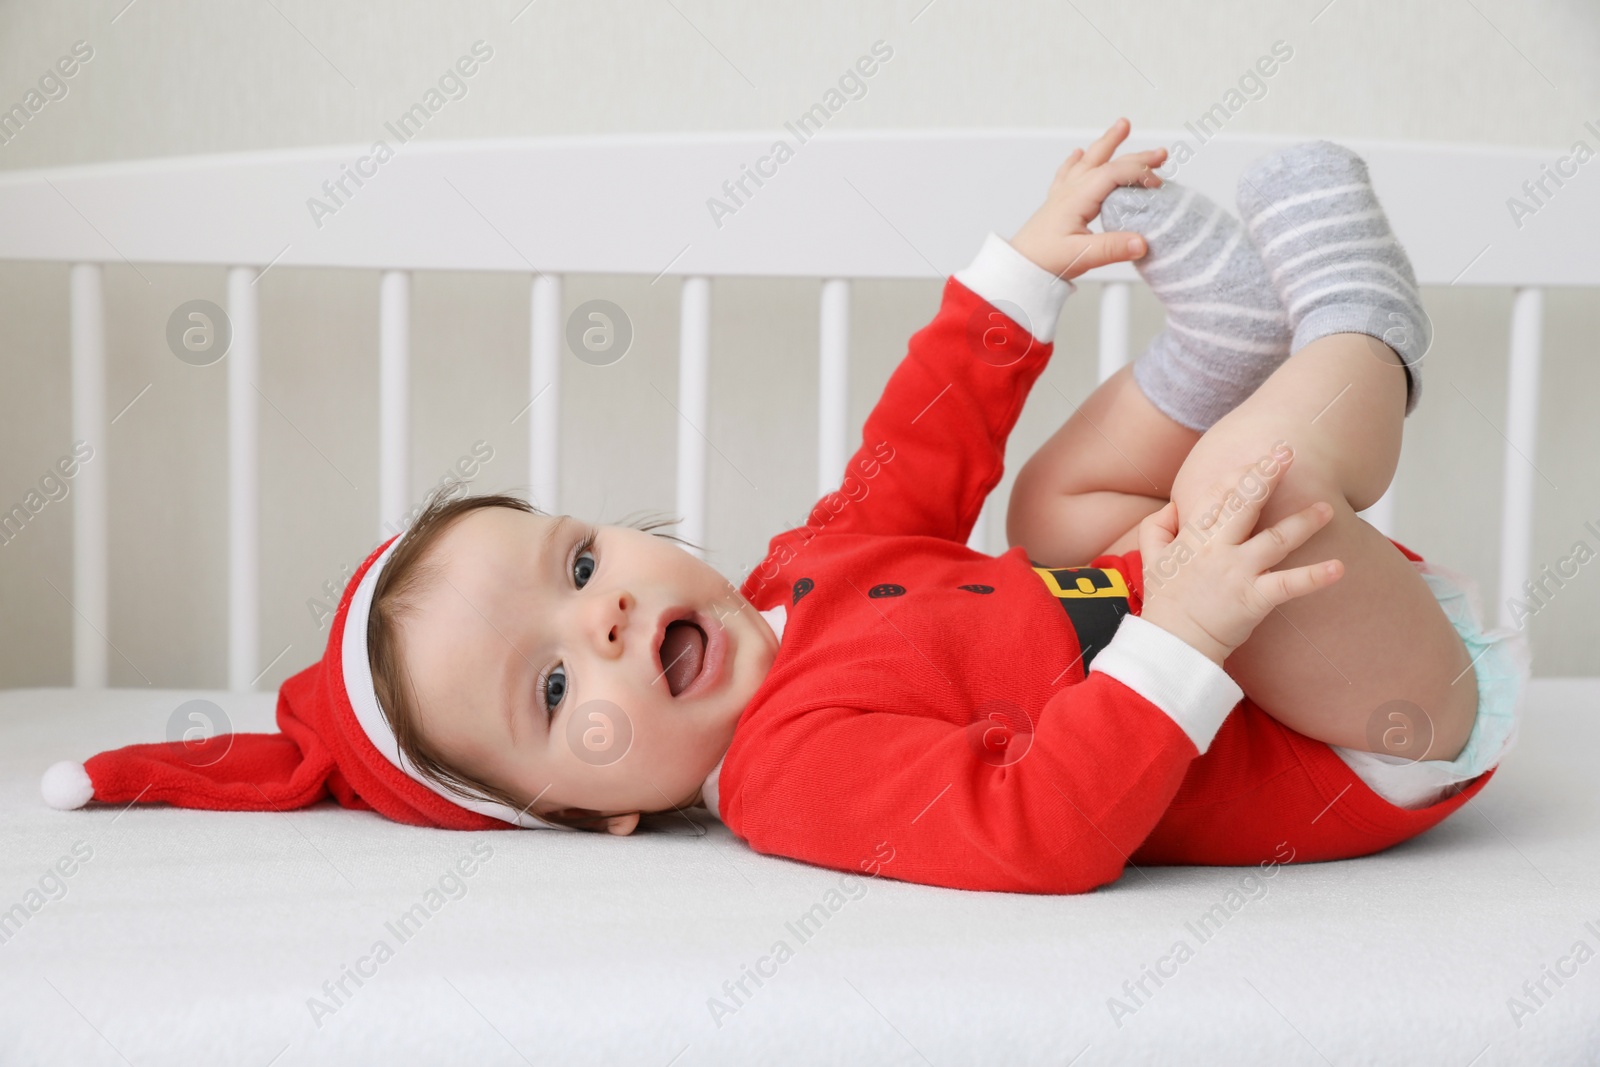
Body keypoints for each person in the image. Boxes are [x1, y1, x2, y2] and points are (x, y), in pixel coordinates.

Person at [44, 121, 1529, 895]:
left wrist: (1013, 275)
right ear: (601, 813)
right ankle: (1357, 326)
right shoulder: (788, 780)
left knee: (1044, 507)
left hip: (1264, 618)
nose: (607, 614)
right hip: (1359, 730)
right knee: (1226, 493)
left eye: (575, 562)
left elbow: (910, 458)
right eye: (557, 682)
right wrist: (1185, 638)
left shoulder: (803, 572)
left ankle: (1224, 347)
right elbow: (1034, 833)